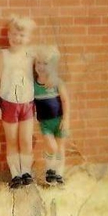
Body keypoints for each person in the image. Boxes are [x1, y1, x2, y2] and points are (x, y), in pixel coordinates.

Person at [0, 16, 36, 189]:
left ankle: (26, 172)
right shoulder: (3, 55)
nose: (18, 38)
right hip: (9, 103)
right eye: (14, 34)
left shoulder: (31, 55)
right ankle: (15, 174)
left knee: (25, 140)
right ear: (9, 34)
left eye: (22, 35)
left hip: (27, 103)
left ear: (29, 38)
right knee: (11, 139)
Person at [33, 45, 69, 185]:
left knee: (60, 148)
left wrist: (66, 119)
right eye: (38, 63)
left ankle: (59, 174)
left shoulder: (57, 83)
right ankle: (49, 169)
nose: (41, 66)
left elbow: (65, 101)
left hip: (59, 120)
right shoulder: (34, 85)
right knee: (52, 147)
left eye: (45, 63)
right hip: (45, 123)